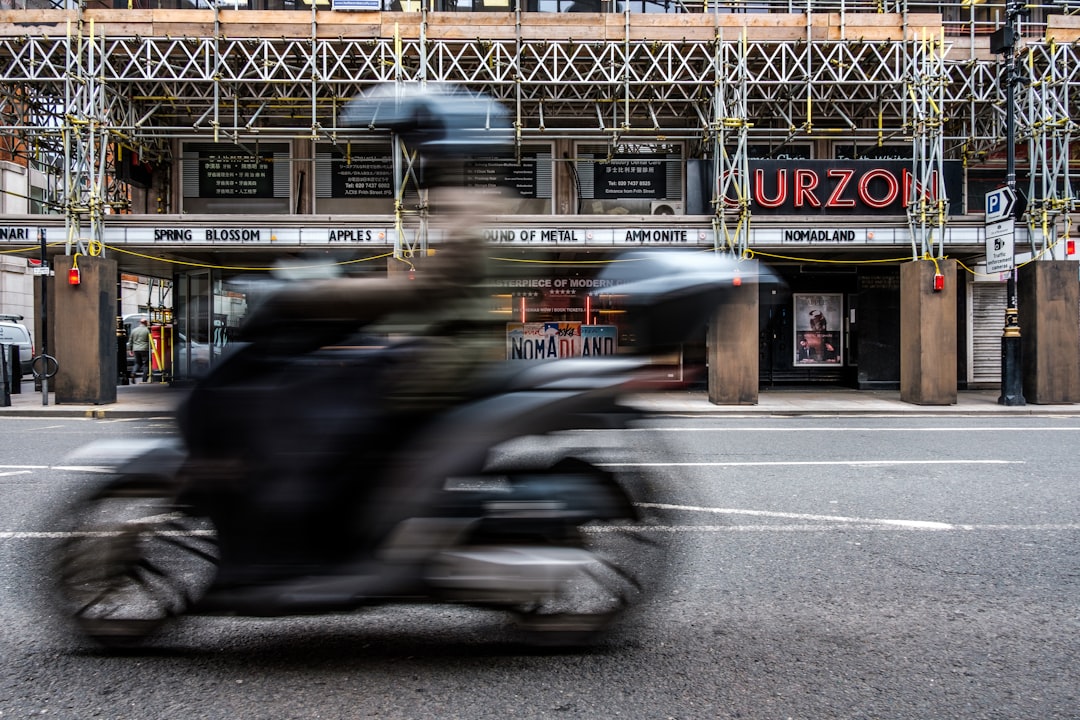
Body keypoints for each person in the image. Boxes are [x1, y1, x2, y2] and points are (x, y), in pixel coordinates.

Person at [128, 318, 151, 382]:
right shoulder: (147, 330)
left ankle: (133, 373)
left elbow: (130, 341)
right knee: (146, 364)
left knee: (137, 363)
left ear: (140, 323)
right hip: (145, 349)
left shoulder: (134, 330)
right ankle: (144, 378)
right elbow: (150, 340)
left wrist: (130, 350)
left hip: (136, 349)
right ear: (146, 322)